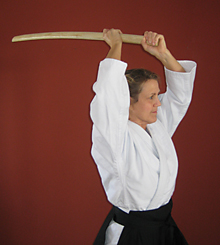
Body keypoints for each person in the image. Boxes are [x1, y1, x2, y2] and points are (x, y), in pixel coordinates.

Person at [90, 28, 197, 245]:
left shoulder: (158, 126)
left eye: (158, 95)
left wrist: (163, 54)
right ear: (128, 102)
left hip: (164, 228)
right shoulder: (115, 138)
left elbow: (179, 97)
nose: (159, 102)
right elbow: (107, 96)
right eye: (151, 97)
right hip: (134, 235)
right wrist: (116, 45)